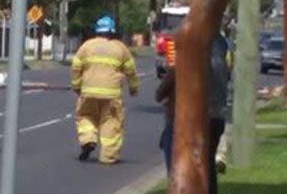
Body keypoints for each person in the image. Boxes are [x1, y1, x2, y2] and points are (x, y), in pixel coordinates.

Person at [155, 32, 230, 194]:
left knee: (180, 166)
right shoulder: (221, 60)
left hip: (190, 121)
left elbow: (160, 93)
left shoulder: (188, 63)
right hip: (217, 117)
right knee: (207, 165)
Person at [71, 16, 139, 164]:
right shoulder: (120, 48)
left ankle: (88, 139)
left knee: (85, 116)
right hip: (111, 95)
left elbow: (76, 67)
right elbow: (131, 71)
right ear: (112, 32)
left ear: (97, 31)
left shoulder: (86, 46)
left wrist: (76, 86)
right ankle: (108, 157)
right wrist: (133, 88)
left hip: (88, 93)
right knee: (111, 124)